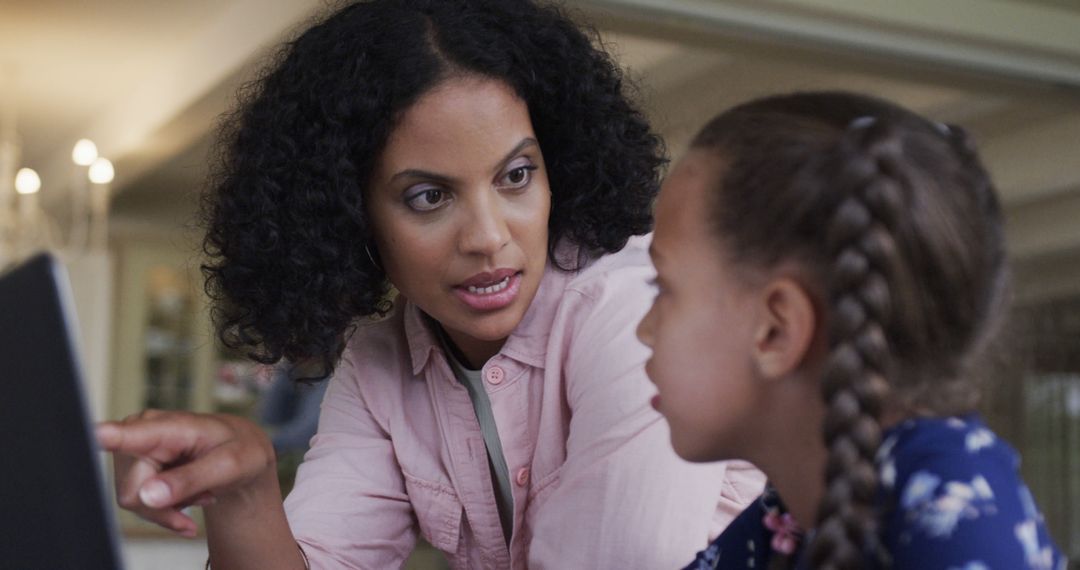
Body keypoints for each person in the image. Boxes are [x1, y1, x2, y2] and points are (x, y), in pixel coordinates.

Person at [94, 1, 763, 568]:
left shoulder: (633, 310)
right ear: (350, 216)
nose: (488, 236)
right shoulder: (380, 365)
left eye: (516, 176)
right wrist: (245, 488)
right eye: (426, 197)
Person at [636, 90, 1067, 569]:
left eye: (662, 287)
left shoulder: (961, 530)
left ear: (776, 330)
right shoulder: (792, 512)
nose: (643, 330)